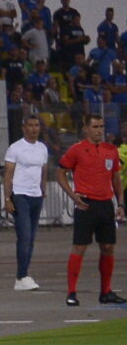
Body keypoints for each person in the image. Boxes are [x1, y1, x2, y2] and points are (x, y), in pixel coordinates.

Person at [52, 123, 122, 306]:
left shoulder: (111, 150)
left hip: (106, 204)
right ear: (86, 129)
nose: (99, 130)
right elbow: (60, 173)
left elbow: (116, 178)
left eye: (101, 126)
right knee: (80, 247)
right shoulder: (77, 150)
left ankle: (106, 291)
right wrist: (72, 195)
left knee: (108, 247)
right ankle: (71, 292)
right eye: (95, 126)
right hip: (86, 204)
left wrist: (120, 203)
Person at [3, 113, 51, 291]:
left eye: (36, 125)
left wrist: (43, 188)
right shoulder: (15, 148)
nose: (33, 129)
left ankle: (24, 274)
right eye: (30, 125)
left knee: (31, 238)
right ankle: (21, 275)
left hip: (36, 195)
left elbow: (43, 170)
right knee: (24, 236)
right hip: (20, 194)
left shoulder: (42, 148)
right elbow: (8, 174)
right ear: (24, 128)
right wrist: (7, 197)